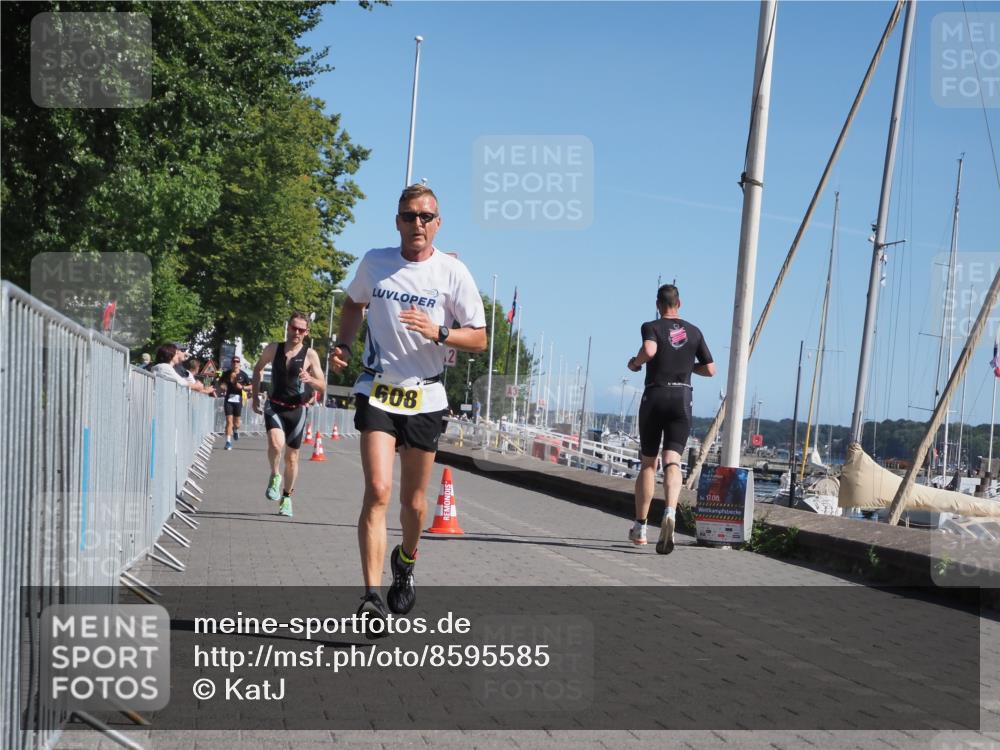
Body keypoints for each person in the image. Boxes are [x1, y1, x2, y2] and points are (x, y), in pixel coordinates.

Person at [330, 184, 487, 627]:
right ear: (396, 220)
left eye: (425, 216)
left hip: (426, 395)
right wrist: (343, 342)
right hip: (377, 389)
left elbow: (479, 337)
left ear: (437, 224)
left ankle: (406, 559)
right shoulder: (376, 263)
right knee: (378, 491)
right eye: (408, 215)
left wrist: (439, 333)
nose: (416, 223)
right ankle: (370, 597)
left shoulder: (453, 273)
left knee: (415, 504)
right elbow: (352, 304)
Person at [626, 284, 715, 554]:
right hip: (682, 398)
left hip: (655, 396)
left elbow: (650, 351)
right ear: (680, 303)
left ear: (658, 304)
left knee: (649, 464)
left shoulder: (651, 326)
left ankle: (640, 528)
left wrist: (635, 363)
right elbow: (711, 369)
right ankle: (670, 511)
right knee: (673, 460)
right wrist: (689, 367)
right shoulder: (695, 331)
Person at [252, 312, 326, 517]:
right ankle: (275, 475)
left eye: (301, 330)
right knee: (276, 444)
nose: (296, 333)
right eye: (294, 328)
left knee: (292, 459)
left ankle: (286, 497)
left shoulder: (310, 355)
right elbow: (258, 368)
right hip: (274, 405)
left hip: (296, 410)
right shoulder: (273, 348)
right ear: (288, 327)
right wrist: (255, 394)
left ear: (306, 333)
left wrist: (310, 379)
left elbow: (323, 384)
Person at [217, 355, 251, 450]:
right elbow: (220, 383)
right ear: (231, 363)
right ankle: (228, 442)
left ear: (239, 364)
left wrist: (243, 388)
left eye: (237, 362)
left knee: (237, 424)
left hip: (238, 400)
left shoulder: (244, 375)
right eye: (234, 362)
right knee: (229, 422)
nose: (235, 363)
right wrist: (222, 387)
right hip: (228, 400)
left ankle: (235, 430)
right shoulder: (226, 373)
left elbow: (251, 386)